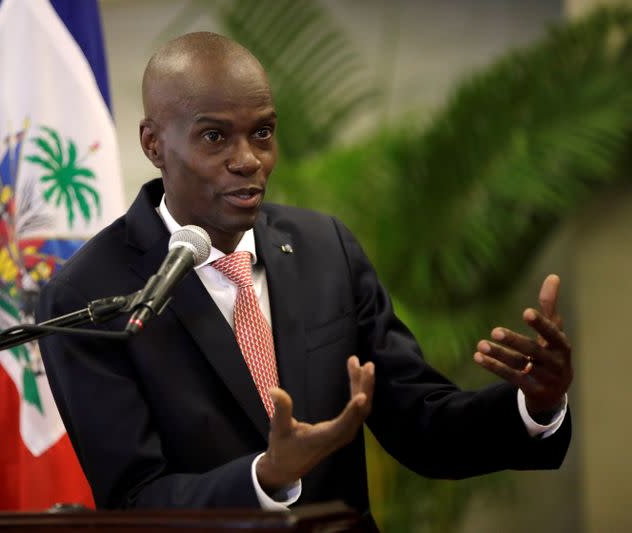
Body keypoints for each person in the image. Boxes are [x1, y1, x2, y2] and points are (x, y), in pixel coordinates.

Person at [37, 32, 571, 516]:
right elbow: (135, 499)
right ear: (154, 143)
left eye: (262, 132)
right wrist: (265, 476)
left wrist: (534, 406)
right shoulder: (87, 295)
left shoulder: (325, 249)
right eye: (215, 138)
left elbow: (420, 424)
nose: (248, 160)